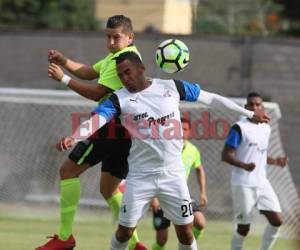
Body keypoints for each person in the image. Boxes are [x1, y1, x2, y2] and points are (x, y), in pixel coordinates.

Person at [56, 52, 270, 250]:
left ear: (141, 68)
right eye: (120, 75)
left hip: (173, 175)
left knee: (186, 233)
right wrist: (74, 137)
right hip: (140, 176)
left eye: (128, 72)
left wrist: (247, 113)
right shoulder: (118, 99)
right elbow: (97, 120)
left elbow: (210, 98)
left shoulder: (172, 87)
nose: (124, 78)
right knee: (124, 233)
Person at [36, 15, 146, 250]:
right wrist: (65, 60)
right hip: (124, 131)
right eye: (108, 37)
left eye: (116, 37)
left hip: (112, 127)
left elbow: (97, 93)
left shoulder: (126, 61)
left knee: (68, 170)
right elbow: (89, 71)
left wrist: (64, 78)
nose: (111, 42)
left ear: (130, 37)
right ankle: (136, 245)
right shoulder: (116, 57)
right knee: (109, 189)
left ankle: (65, 238)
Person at [221, 92, 288, 250]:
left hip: (261, 182)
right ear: (245, 108)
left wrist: (275, 161)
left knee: (277, 220)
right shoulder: (239, 128)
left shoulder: (266, 128)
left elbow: (259, 155)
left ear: (263, 107)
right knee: (244, 229)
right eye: (251, 104)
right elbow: (225, 155)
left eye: (258, 104)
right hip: (243, 184)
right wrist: (244, 166)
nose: (255, 107)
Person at [151, 117, 207, 250]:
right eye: (179, 129)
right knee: (161, 240)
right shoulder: (164, 147)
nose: (182, 132)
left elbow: (199, 169)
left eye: (185, 129)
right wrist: (154, 196)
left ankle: (188, 243)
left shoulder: (193, 150)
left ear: (190, 132)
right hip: (162, 195)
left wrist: (203, 192)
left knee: (200, 222)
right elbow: (153, 171)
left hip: (182, 195)